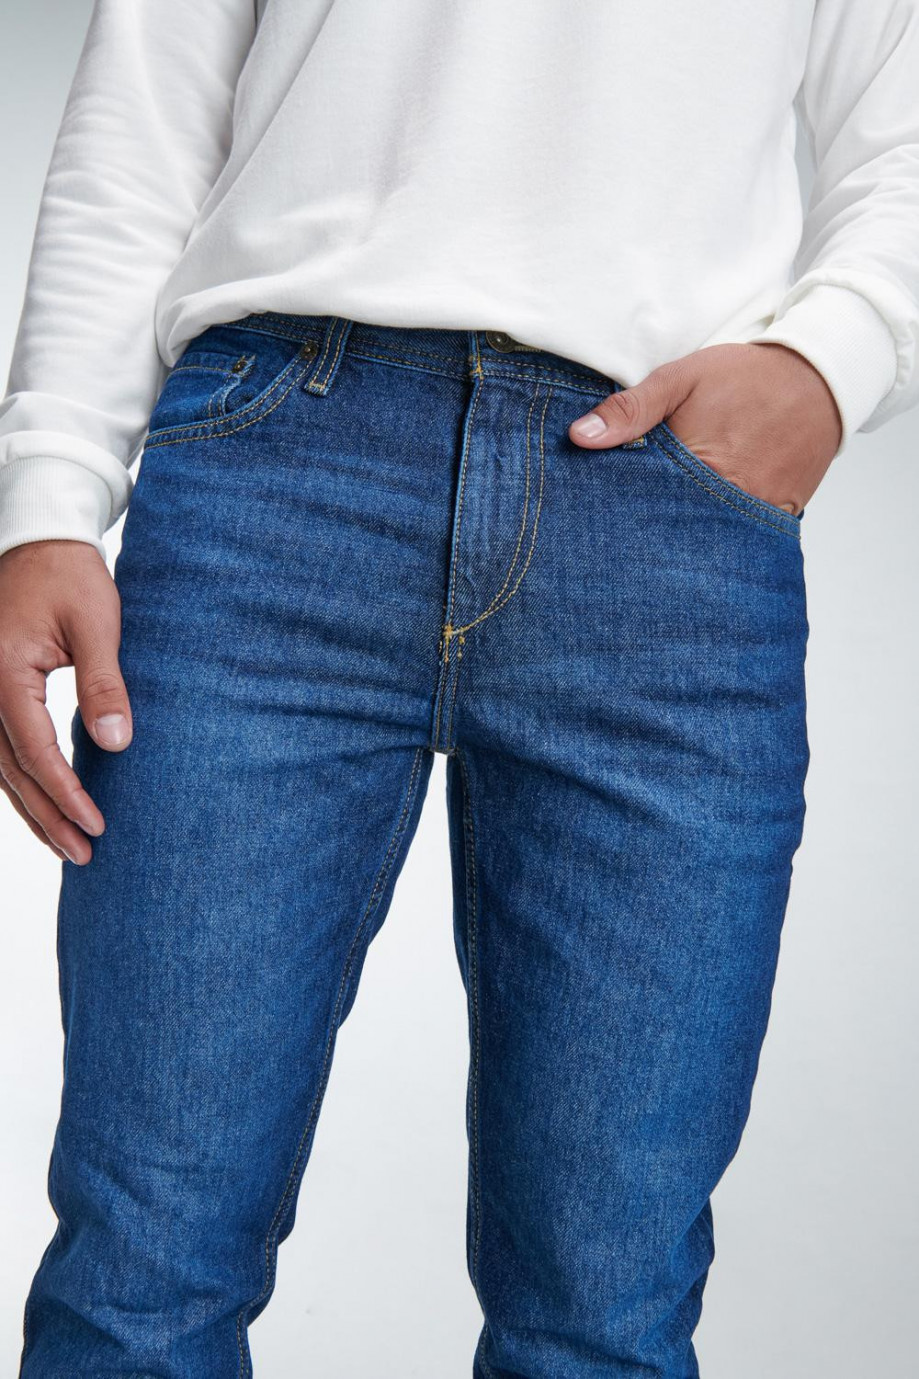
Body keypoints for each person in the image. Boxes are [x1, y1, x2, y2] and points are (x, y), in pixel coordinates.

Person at [1, 1, 917, 1375]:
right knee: (140, 1278)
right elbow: (150, 102)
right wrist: (47, 497)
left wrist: (828, 360)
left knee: (603, 1322)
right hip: (274, 477)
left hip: (662, 522)